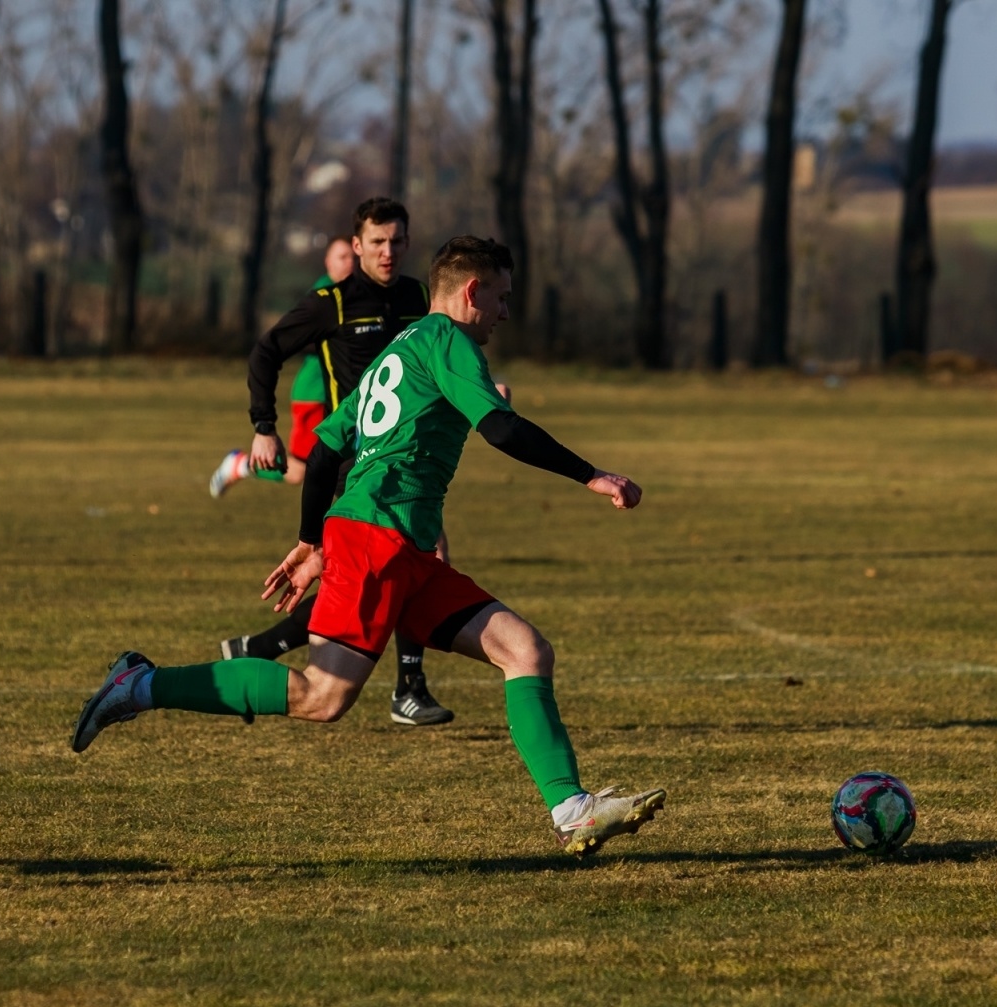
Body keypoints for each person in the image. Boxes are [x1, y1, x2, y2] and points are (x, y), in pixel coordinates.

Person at [73, 235, 666, 858]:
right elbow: (502, 429)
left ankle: (572, 811)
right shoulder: (447, 339)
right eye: (501, 297)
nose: (505, 313)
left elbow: (326, 448)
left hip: (402, 548)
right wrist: (592, 476)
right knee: (321, 697)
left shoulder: (401, 347)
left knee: (525, 650)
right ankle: (141, 684)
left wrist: (311, 541)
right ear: (472, 291)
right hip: (376, 540)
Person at [209, 198, 455, 727]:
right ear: (357, 245)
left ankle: (257, 648)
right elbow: (266, 351)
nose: (388, 252)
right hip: (353, 459)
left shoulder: (420, 298)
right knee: (418, 557)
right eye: (377, 242)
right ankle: (408, 689)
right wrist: (263, 425)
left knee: (372, 575)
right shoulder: (333, 303)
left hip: (409, 457)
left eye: (397, 241)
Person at [209, 235, 354, 493]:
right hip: (315, 393)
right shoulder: (324, 295)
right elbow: (292, 340)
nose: (349, 263)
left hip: (341, 396)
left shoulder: (357, 294)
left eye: (353, 257)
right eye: (342, 257)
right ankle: (240, 465)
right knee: (297, 471)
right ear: (328, 262)